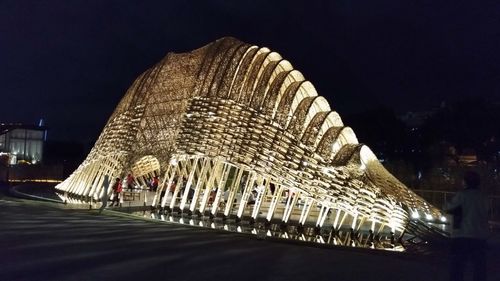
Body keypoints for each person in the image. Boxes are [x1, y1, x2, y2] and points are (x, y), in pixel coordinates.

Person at [443, 171, 489, 281]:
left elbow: (447, 208)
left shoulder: (462, 195)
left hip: (462, 235)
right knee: (479, 268)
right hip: (480, 236)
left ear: (466, 182)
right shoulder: (483, 197)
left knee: (458, 268)